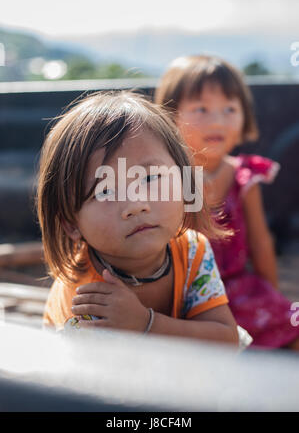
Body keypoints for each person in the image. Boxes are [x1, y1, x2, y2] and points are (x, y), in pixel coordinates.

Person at [38, 90, 239, 346]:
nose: (135, 205)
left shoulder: (192, 250)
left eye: (150, 178)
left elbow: (226, 340)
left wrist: (146, 324)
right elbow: (84, 379)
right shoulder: (87, 294)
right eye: (105, 190)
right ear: (70, 223)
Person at [155, 54, 299, 350]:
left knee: (290, 323)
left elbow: (260, 243)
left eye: (230, 109)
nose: (218, 120)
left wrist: (272, 298)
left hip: (238, 288)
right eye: (201, 109)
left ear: (245, 115)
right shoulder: (173, 178)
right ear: (170, 117)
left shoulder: (244, 175)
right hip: (188, 293)